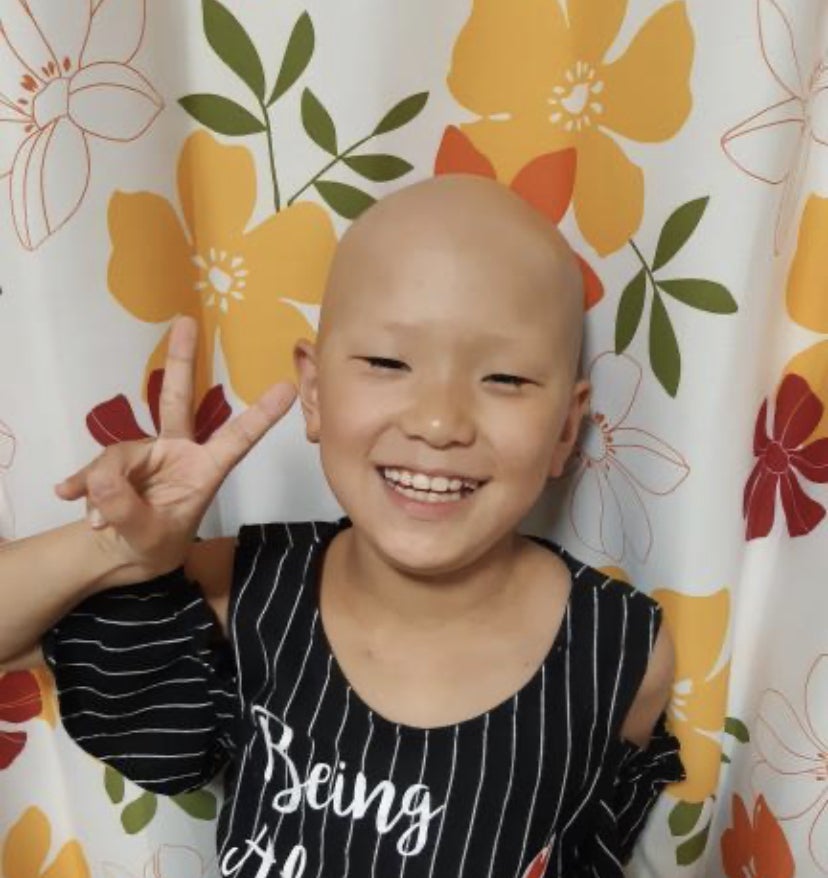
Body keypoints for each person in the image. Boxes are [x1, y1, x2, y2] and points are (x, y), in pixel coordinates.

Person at [0, 175, 684, 878]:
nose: (439, 422)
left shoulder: (621, 651)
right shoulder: (245, 586)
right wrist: (115, 551)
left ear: (567, 426)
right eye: (388, 362)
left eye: (505, 378)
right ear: (315, 390)